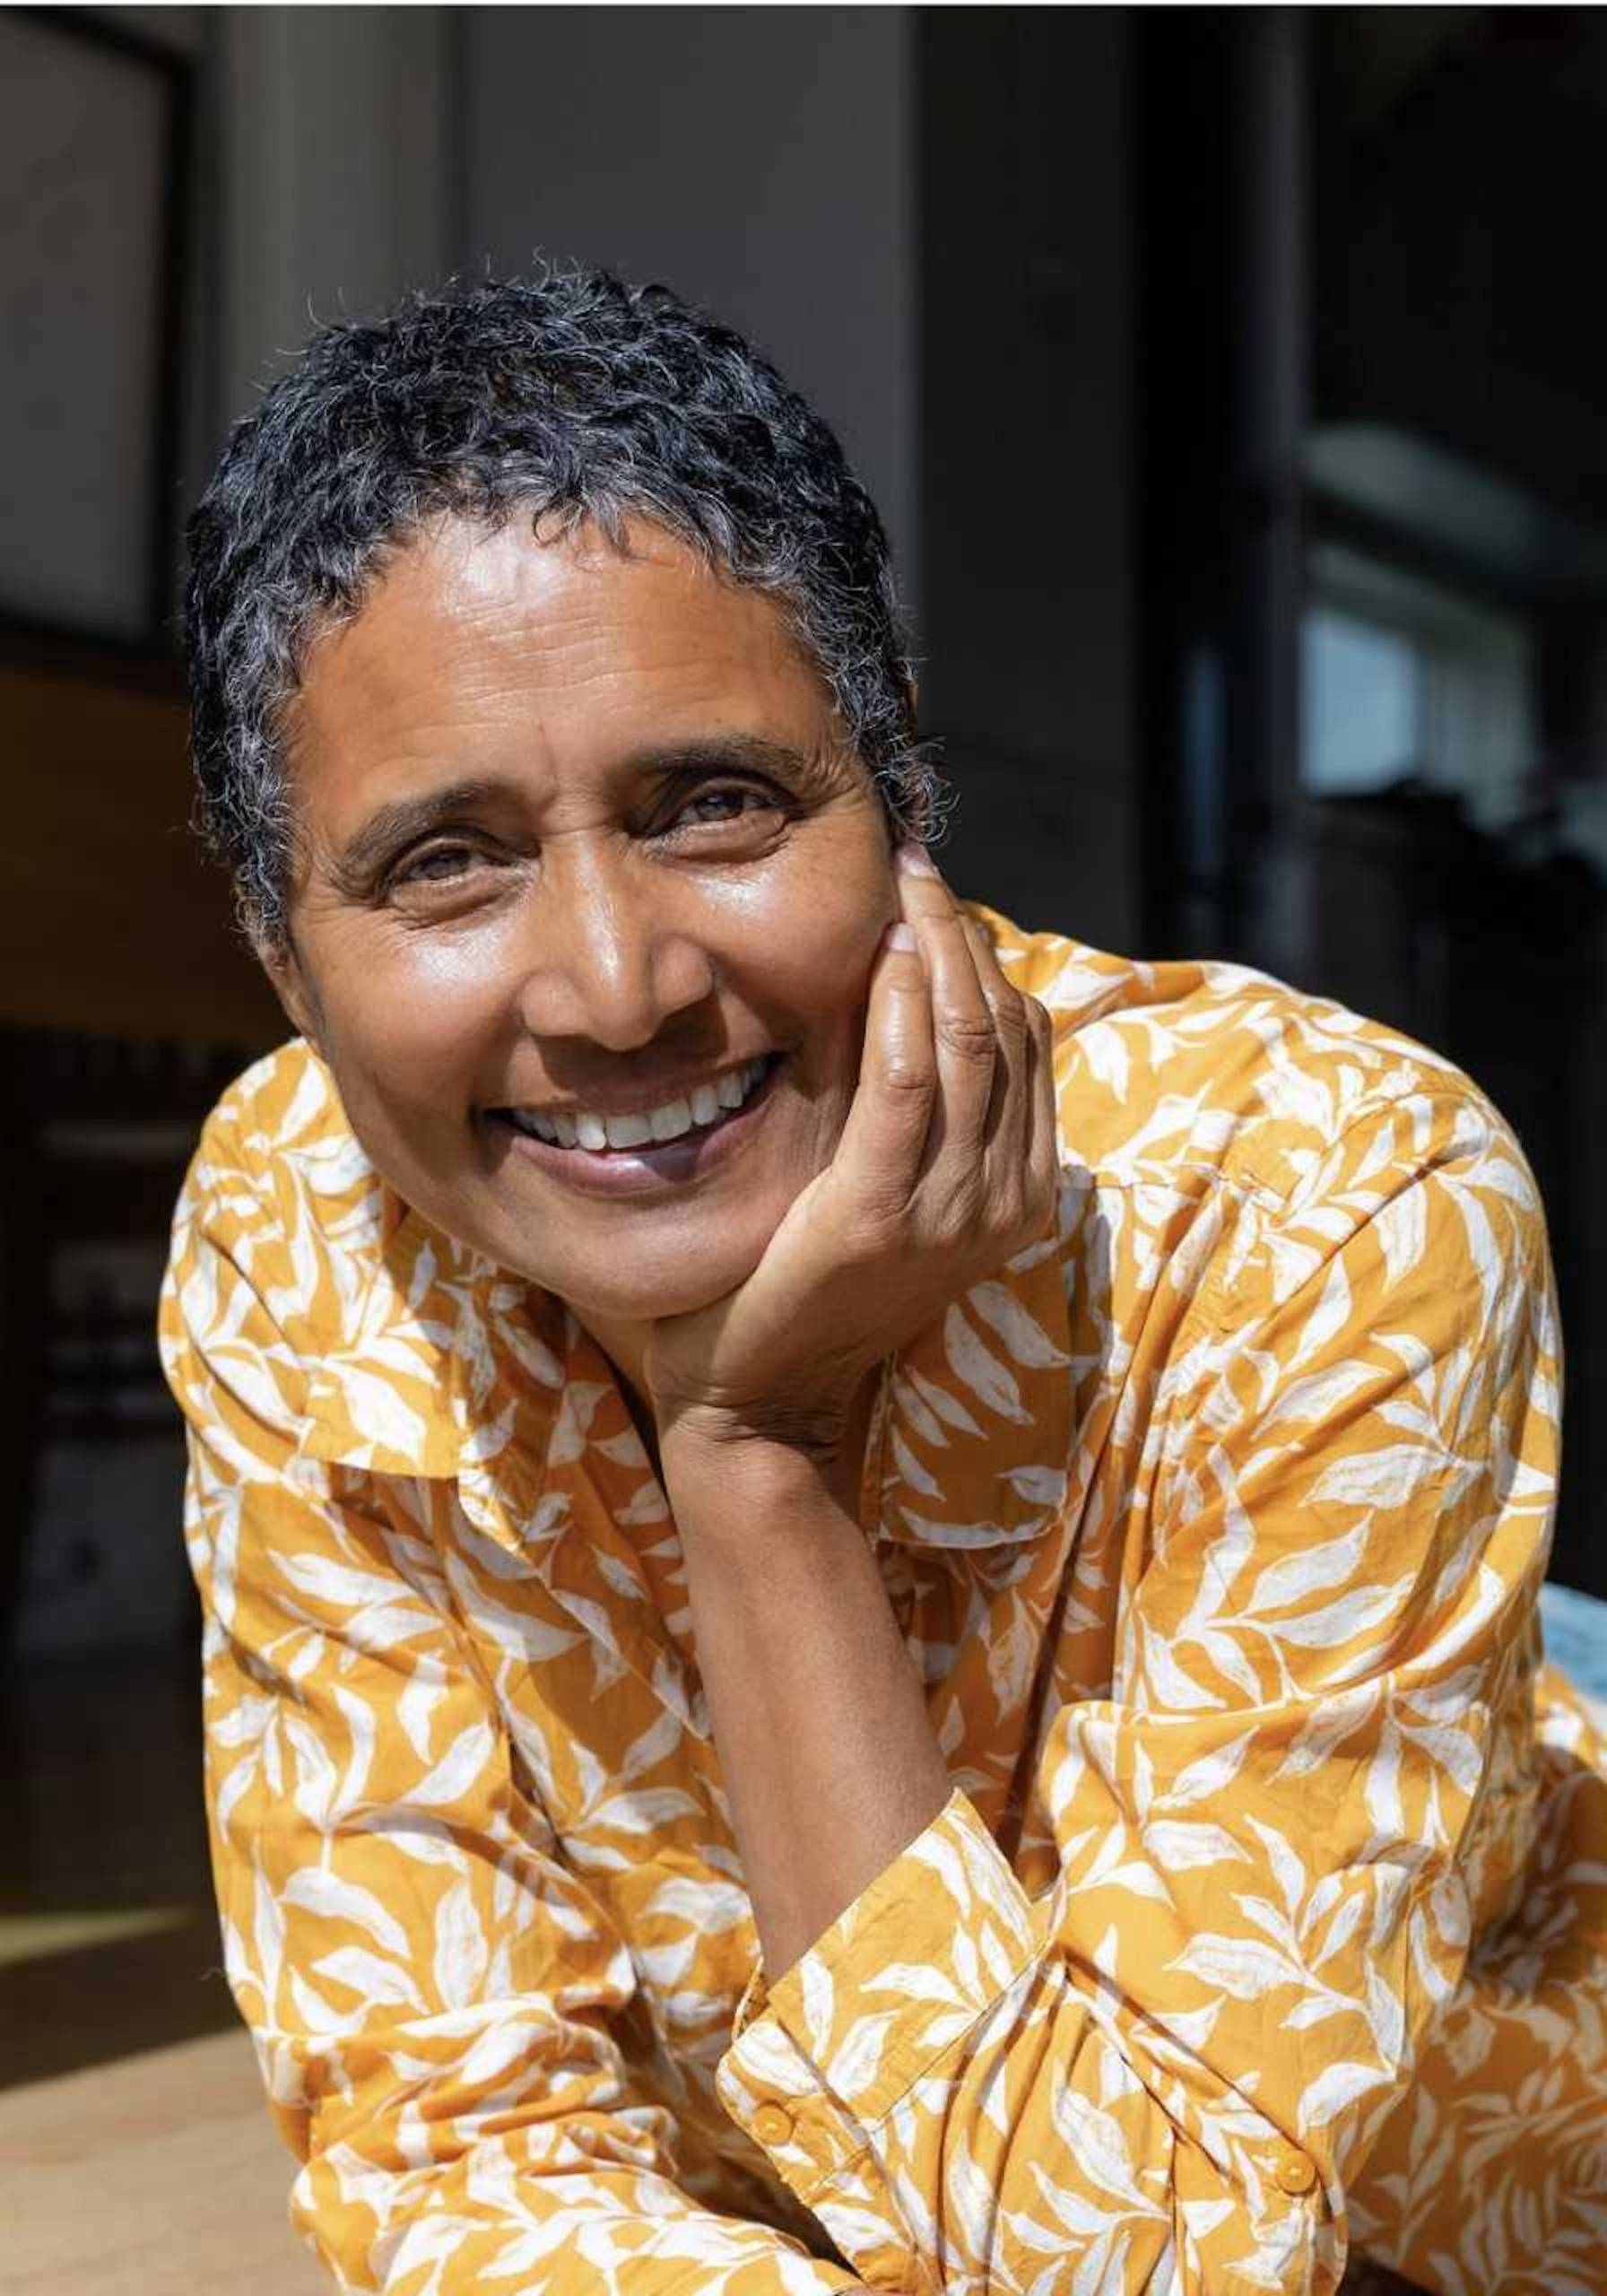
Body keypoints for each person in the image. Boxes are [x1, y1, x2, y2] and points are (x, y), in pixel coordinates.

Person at [163, 267, 1605, 2296]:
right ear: (281, 952)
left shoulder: (1326, 1197)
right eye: (443, 864)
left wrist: (753, 1459)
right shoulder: (297, 1220)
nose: (617, 983)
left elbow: (1157, 2268)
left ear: (900, 783)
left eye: (716, 803)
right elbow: (455, 2156)